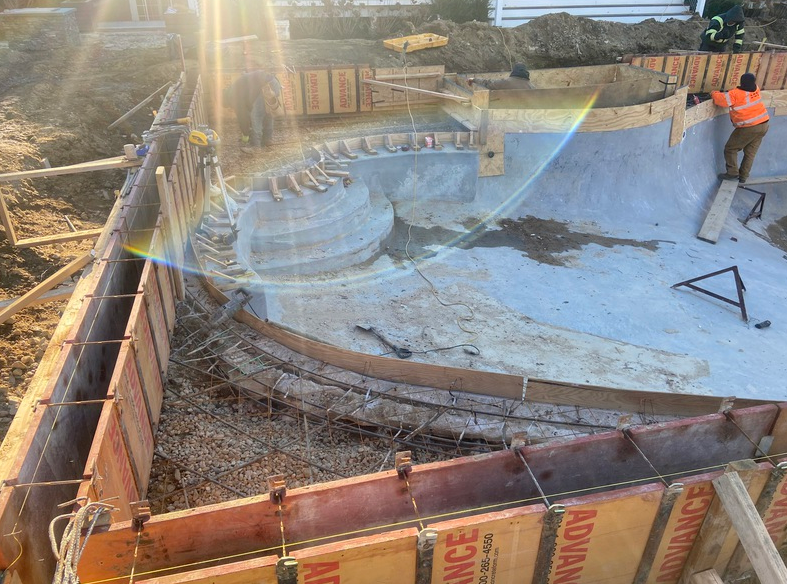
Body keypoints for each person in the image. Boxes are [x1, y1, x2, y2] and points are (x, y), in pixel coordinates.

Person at [711, 72, 769, 184]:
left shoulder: (735, 94)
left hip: (749, 127)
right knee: (750, 153)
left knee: (730, 149)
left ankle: (732, 173)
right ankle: (743, 176)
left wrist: (713, 93)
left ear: (741, 82)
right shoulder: (756, 89)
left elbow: (720, 100)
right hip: (764, 124)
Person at [224, 70, 282, 153]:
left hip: (262, 87)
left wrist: (245, 135)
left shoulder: (233, 96)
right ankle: (268, 140)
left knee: (256, 117)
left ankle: (256, 146)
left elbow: (243, 118)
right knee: (268, 112)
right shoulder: (234, 88)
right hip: (274, 82)